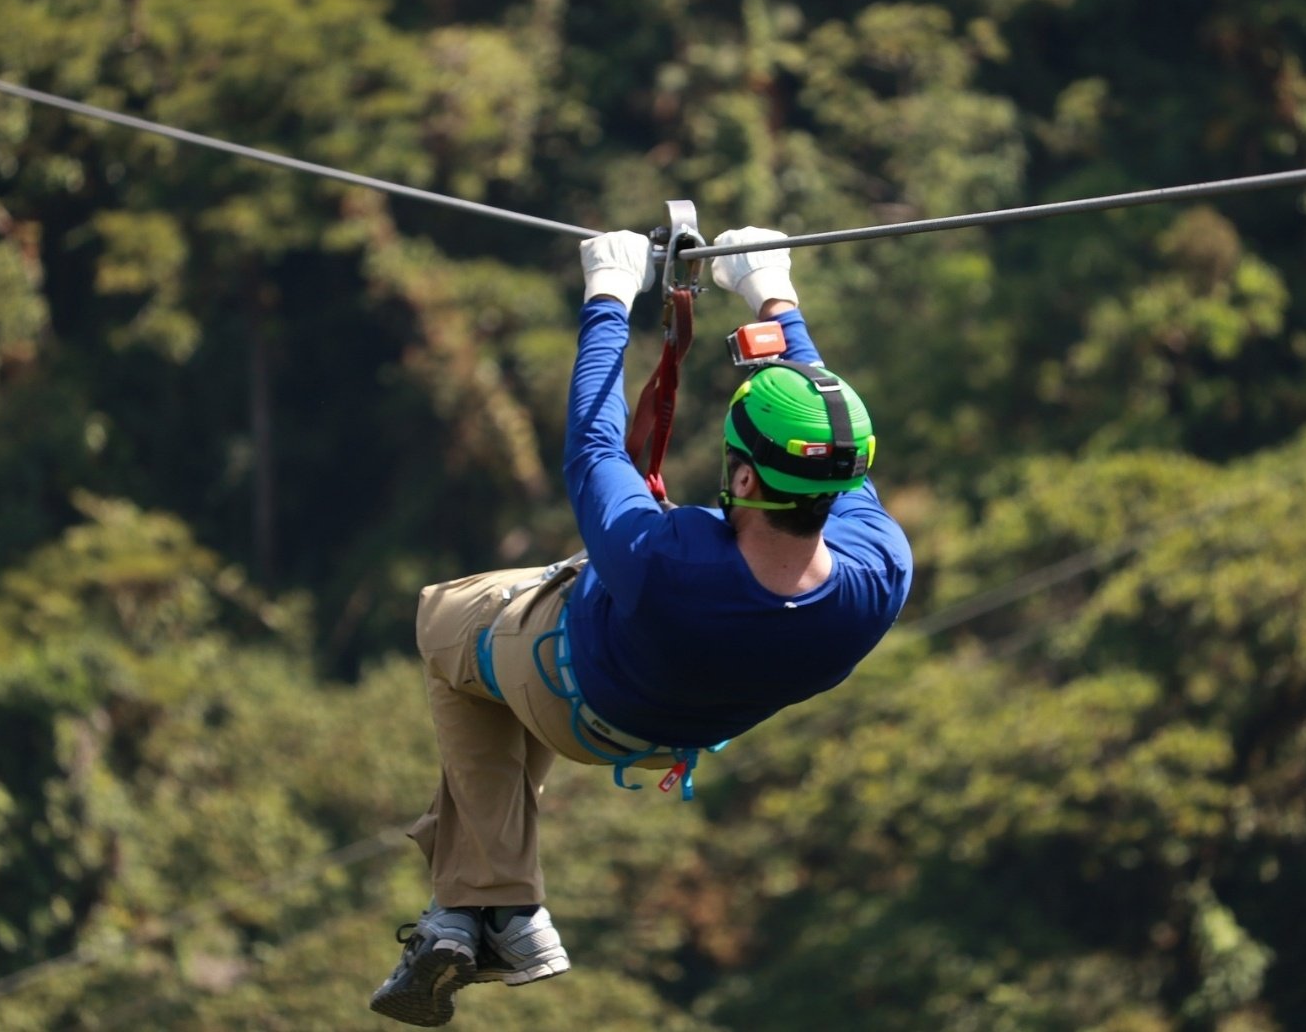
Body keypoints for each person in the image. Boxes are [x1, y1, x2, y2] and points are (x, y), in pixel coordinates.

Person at [369, 228, 913, 1026]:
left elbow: (593, 447)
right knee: (501, 661)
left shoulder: (667, 561)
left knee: (445, 618)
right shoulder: (879, 573)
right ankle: (471, 914)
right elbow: (825, 439)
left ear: (739, 475)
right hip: (670, 730)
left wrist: (607, 300)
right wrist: (774, 296)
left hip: (574, 691)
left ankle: (499, 904)